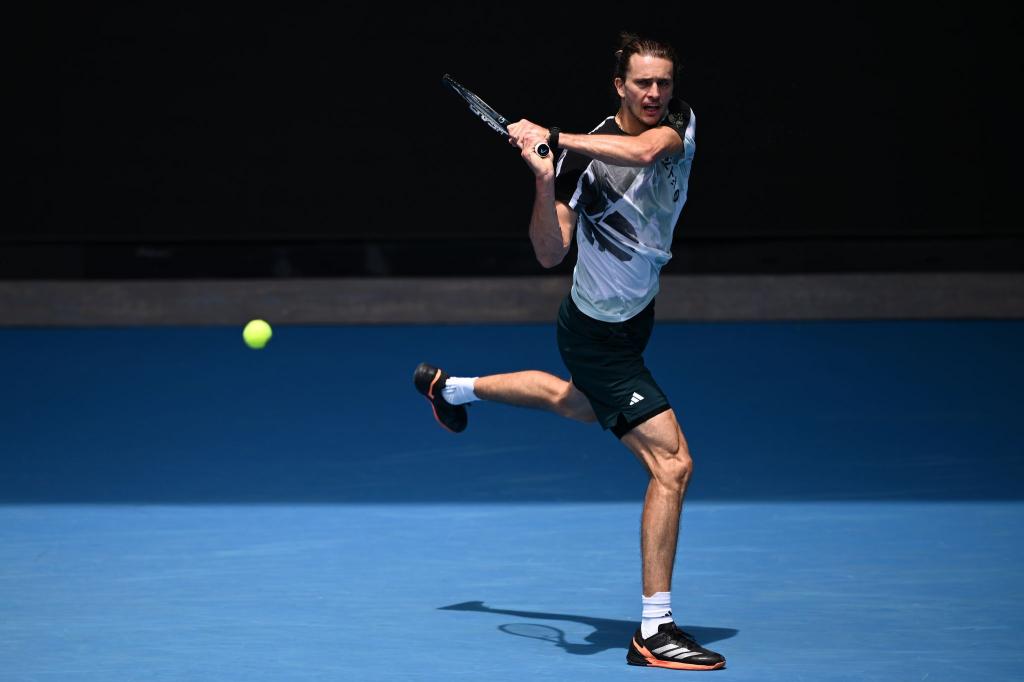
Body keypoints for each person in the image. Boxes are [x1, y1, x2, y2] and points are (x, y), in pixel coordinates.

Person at [414, 31, 725, 671]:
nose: (654, 93)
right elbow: (550, 253)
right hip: (592, 332)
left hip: (634, 320)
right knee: (672, 465)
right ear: (619, 85)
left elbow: (642, 154)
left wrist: (554, 135)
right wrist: (543, 176)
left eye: (663, 82)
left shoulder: (675, 126)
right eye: (642, 82)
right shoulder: (580, 160)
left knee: (575, 404)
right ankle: (654, 629)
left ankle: (450, 388)